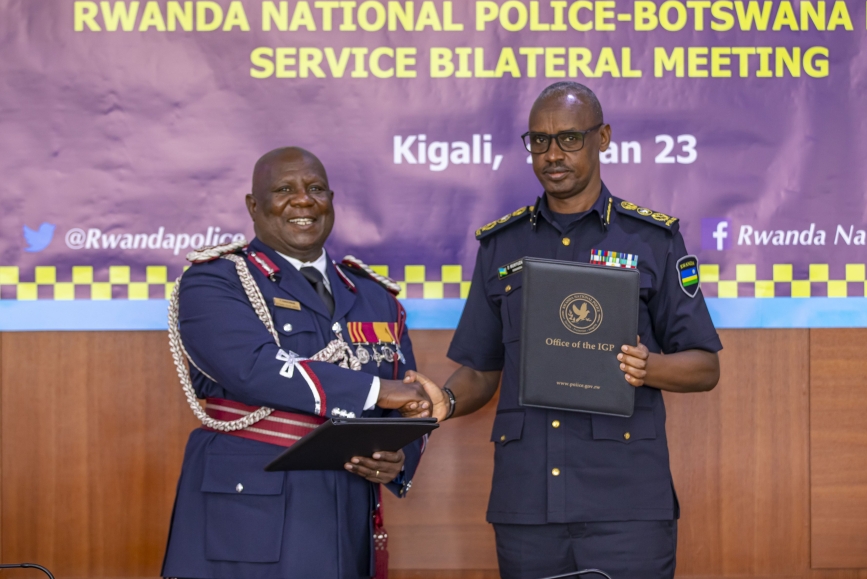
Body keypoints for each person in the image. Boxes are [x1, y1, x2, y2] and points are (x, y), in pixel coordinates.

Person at [420, 82, 723, 579]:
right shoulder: (500, 245)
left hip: (626, 505)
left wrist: (650, 368)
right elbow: (480, 368)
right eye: (538, 141)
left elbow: (704, 366)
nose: (552, 154)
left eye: (569, 139)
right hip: (527, 505)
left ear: (602, 137)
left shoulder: (652, 240)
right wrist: (445, 402)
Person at [161, 147, 432, 579]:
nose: (303, 200)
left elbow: (408, 398)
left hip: (347, 509)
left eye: (315, 189)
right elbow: (252, 367)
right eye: (284, 189)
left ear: (331, 200)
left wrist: (397, 458)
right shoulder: (214, 281)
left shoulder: (374, 295)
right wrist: (377, 391)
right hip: (248, 513)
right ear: (254, 206)